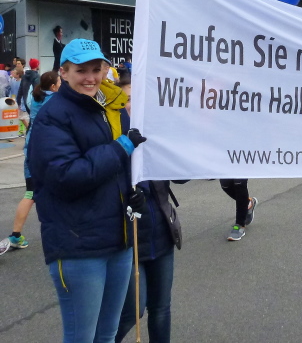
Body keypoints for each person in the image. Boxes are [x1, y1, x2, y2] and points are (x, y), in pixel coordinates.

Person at [27, 39, 147, 343]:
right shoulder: (52, 116)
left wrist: (135, 191)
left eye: (96, 69)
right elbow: (65, 176)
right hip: (77, 245)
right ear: (64, 72)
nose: (90, 77)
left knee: (107, 335)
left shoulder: (111, 106)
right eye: (81, 71)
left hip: (118, 240)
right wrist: (120, 148)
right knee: (82, 338)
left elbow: (124, 166)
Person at [115, 76, 184, 343]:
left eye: (138, 99)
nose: (133, 105)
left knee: (161, 308)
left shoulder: (154, 136)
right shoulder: (113, 140)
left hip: (162, 235)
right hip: (130, 241)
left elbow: (180, 176)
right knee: (132, 312)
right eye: (127, 99)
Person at [6, 71, 62, 250]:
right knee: (34, 194)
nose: (62, 84)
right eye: (60, 82)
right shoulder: (54, 99)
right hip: (43, 151)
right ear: (53, 86)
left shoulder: (36, 96)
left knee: (34, 193)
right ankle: (16, 235)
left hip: (31, 148)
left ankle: (16, 235)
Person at [17, 58, 41, 134]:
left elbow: (20, 90)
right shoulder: (37, 76)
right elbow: (37, 90)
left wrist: (18, 102)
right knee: (35, 121)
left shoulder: (24, 76)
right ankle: (31, 137)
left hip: (26, 101)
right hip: (33, 102)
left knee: (32, 121)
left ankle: (29, 136)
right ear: (37, 65)